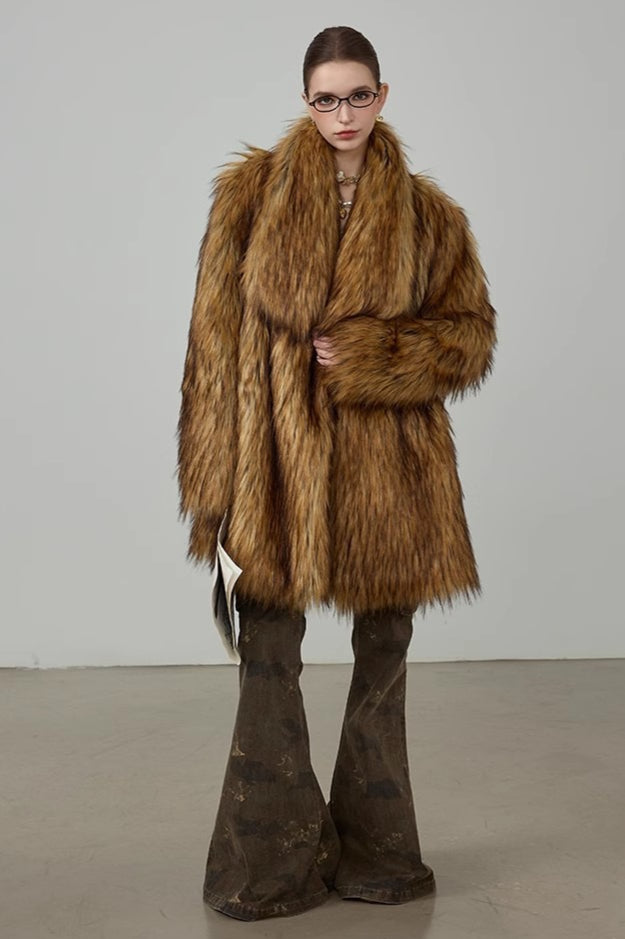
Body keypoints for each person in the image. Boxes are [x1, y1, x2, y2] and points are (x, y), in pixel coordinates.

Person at [176, 25, 497, 922]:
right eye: (326, 98)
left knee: (382, 657)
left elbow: (469, 334)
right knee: (267, 659)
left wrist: (373, 355)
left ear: (381, 96)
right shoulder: (249, 197)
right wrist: (213, 491)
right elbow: (210, 349)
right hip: (272, 468)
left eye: (358, 95)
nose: (343, 114)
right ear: (305, 100)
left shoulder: (429, 217)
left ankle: (378, 851)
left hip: (389, 471)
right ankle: (267, 863)